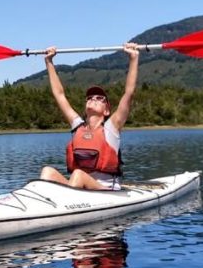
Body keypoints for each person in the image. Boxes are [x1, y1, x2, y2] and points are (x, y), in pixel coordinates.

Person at [40, 42, 140, 190]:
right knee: (47, 172)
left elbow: (129, 93)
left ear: (106, 111)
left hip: (105, 190)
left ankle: (66, 206)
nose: (93, 98)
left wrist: (133, 59)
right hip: (79, 188)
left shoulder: (111, 128)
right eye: (90, 97)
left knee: (78, 174)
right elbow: (59, 95)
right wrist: (49, 62)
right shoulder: (78, 126)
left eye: (100, 98)